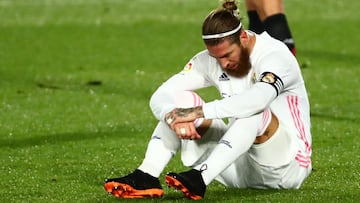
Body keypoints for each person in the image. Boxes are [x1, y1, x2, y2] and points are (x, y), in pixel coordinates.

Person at [103, 0, 312, 200]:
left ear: (244, 38)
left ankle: (200, 178)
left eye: (227, 55)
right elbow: (161, 94)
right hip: (237, 167)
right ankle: (146, 175)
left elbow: (258, 99)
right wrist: (172, 116)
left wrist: (199, 112)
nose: (222, 64)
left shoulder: (275, 55)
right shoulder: (210, 59)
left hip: (286, 167)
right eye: (216, 58)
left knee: (252, 110)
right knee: (181, 101)